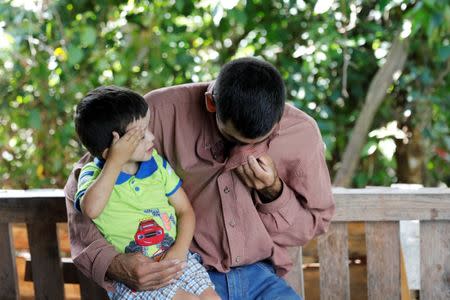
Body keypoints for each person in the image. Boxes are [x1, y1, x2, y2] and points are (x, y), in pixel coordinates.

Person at [65, 57, 335, 299]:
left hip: (260, 278)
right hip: (180, 273)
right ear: (211, 103)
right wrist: (114, 263)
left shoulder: (300, 133)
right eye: (232, 139)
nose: (242, 153)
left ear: (278, 121)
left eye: (259, 142)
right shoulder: (160, 111)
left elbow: (313, 224)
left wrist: (273, 191)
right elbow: (87, 182)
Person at [72, 86, 218, 300]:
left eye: (148, 129)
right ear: (110, 149)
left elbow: (185, 210)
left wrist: (179, 250)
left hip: (178, 260)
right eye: (140, 136)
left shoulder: (156, 165)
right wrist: (115, 161)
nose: (151, 138)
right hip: (140, 280)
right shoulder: (93, 175)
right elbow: (91, 209)